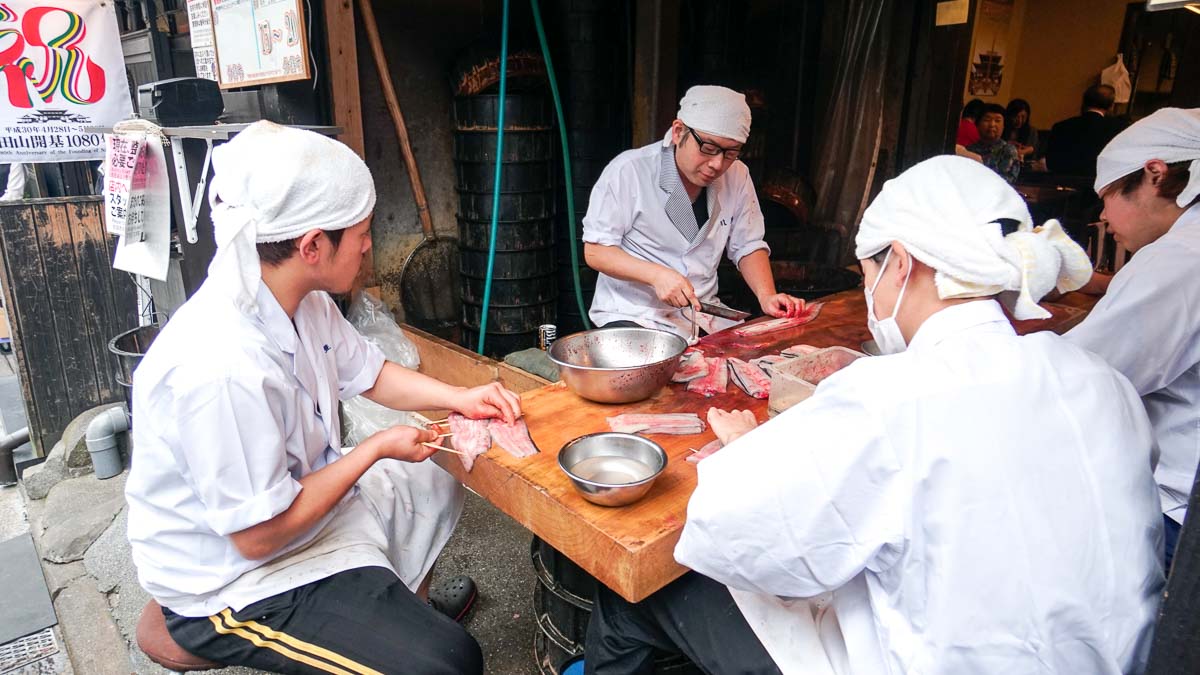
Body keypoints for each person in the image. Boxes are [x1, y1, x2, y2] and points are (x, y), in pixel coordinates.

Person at [584, 156, 1164, 675]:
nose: (870, 295)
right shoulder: (1102, 383)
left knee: (638, 591)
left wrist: (739, 455)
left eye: (868, 276)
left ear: (902, 265)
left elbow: (740, 534)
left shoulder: (893, 397)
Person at [125, 122, 522, 674]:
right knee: (449, 663)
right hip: (233, 578)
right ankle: (389, 634)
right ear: (312, 246)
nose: (367, 243)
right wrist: (374, 448)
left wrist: (463, 396)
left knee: (433, 473)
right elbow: (259, 537)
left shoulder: (301, 298)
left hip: (299, 511)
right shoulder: (221, 366)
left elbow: (370, 372)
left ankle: (395, 617)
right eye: (361, 231)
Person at [1065, 107, 1200, 571]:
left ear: (1155, 175)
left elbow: (1079, 376)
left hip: (1171, 508)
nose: (1104, 215)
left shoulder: (1180, 258)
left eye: (1107, 198)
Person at [582, 85, 802, 337]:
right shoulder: (629, 171)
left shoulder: (737, 175)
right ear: (678, 132)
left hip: (705, 315)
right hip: (635, 315)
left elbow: (748, 244)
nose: (717, 164)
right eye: (708, 148)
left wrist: (767, 295)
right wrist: (657, 275)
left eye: (730, 153)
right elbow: (596, 250)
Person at [1046, 84, 1127, 178]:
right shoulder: (1119, 129)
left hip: (1065, 185)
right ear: (1111, 106)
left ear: (1084, 102)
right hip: (1100, 186)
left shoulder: (1061, 126)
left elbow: (1051, 163)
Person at [967, 103, 1021, 183]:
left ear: (1004, 126)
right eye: (987, 120)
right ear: (977, 124)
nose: (992, 125)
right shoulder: (969, 150)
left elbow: (1005, 181)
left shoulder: (1008, 150)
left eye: (997, 121)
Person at [1004, 98, 1039, 162]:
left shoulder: (1031, 131)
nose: (1019, 121)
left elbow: (1034, 152)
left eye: (1023, 117)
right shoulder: (1002, 128)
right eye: (1016, 116)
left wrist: (1027, 151)